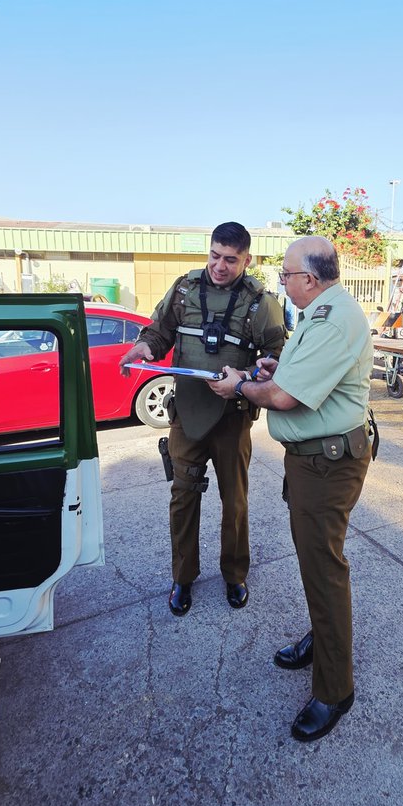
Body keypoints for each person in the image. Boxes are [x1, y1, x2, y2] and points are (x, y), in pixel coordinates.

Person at [208, 236, 376, 743]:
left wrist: (240, 386)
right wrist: (276, 369)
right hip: (314, 462)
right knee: (313, 562)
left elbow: (282, 399)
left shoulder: (332, 318)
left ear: (312, 277)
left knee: (324, 568)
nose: (282, 280)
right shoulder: (320, 313)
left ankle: (335, 688)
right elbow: (299, 380)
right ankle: (322, 640)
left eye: (286, 273)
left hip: (327, 465)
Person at [120, 222, 286, 616]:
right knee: (183, 498)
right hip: (187, 416)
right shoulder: (184, 290)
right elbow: (158, 332)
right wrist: (143, 347)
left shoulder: (261, 302)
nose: (220, 266)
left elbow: (277, 356)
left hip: (233, 419)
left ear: (247, 259)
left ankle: (234, 574)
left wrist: (249, 375)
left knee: (235, 501)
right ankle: (183, 577)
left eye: (230, 259)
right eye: (215, 256)